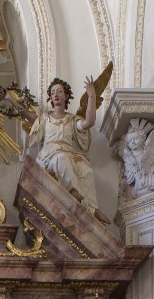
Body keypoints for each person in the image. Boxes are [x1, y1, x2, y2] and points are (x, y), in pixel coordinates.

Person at [26, 75, 100, 213]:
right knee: (61, 158)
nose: (56, 94)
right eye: (53, 92)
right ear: (50, 97)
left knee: (86, 170)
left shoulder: (71, 120)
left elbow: (89, 122)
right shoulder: (44, 119)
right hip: (50, 156)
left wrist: (91, 96)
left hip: (70, 154)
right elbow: (32, 136)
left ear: (66, 96)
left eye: (59, 91)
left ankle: (92, 210)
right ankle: (73, 192)